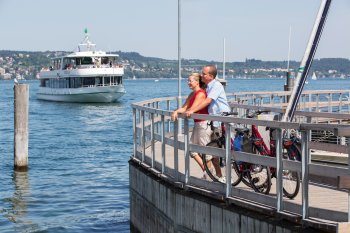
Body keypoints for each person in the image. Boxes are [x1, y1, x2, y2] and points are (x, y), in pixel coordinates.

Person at [185, 65, 230, 181]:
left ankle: (218, 176)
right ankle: (215, 175)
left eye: (204, 73)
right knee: (212, 151)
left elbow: (208, 101)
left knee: (214, 152)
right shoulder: (208, 87)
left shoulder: (216, 86)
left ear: (210, 76)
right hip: (213, 122)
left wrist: (192, 110)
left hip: (221, 121)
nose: (201, 75)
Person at [171, 73, 211, 178]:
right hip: (197, 124)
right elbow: (184, 108)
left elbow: (191, 110)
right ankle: (207, 171)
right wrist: (175, 112)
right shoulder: (192, 94)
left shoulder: (201, 94)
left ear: (197, 82)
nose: (188, 83)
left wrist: (184, 111)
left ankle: (209, 175)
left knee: (206, 153)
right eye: (188, 81)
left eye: (190, 81)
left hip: (204, 124)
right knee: (191, 149)